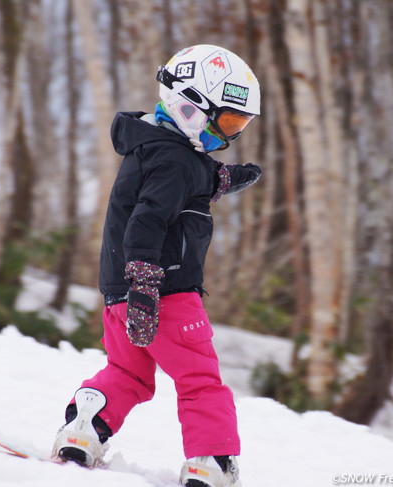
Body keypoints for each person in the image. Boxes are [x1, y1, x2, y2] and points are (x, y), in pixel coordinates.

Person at [51, 44, 262, 487]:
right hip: (164, 292)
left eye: (238, 127)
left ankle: (85, 428)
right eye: (227, 122)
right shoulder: (176, 161)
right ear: (191, 106)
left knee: (128, 371)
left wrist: (223, 177)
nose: (229, 136)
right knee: (201, 380)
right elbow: (147, 222)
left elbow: (184, 179)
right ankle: (212, 461)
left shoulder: (153, 147)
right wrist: (148, 285)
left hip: (119, 291)